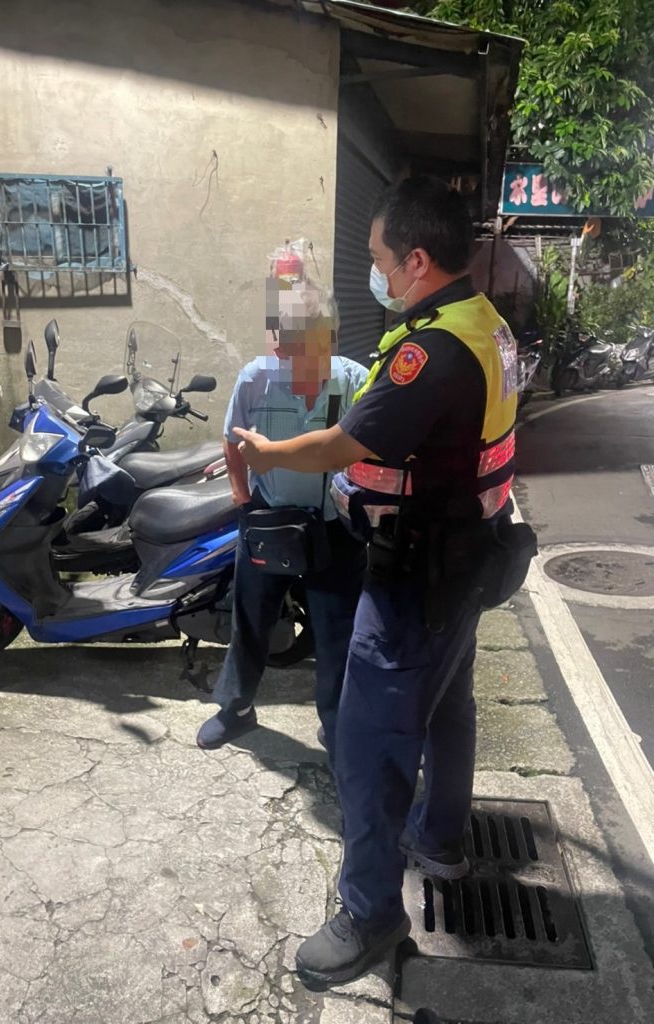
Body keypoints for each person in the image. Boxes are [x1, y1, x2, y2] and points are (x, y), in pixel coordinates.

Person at [233, 177, 519, 987]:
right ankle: (441, 838)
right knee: (450, 708)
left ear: (417, 261)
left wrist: (266, 452)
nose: (376, 273)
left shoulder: (431, 352)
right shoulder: (487, 324)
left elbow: (340, 445)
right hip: (466, 564)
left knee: (366, 747)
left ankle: (370, 913)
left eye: (380, 259)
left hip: (412, 582)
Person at [196, 269, 368, 766]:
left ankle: (336, 728)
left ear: (329, 341)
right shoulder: (256, 379)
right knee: (250, 620)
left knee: (336, 636)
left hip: (334, 529)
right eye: (285, 348)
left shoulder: (354, 382)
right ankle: (236, 708)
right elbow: (232, 440)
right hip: (270, 520)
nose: (291, 361)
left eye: (303, 349)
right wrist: (243, 501)